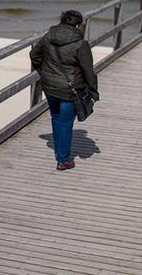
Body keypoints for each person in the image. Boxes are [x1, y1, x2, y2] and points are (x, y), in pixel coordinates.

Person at [31, 9, 100, 171]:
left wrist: (44, 73)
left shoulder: (49, 36)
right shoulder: (80, 44)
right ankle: (63, 160)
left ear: (62, 21)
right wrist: (93, 90)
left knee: (56, 118)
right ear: (78, 24)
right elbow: (88, 70)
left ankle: (60, 151)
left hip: (49, 86)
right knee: (66, 123)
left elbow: (34, 54)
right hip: (70, 89)